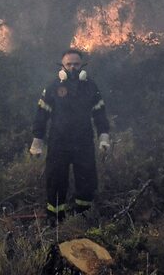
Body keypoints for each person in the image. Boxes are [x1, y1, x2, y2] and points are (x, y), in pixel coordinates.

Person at [30, 48, 111, 220]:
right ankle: (55, 221)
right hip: (59, 143)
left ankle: (83, 218)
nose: (73, 68)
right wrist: (37, 140)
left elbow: (100, 112)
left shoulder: (90, 86)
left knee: (87, 181)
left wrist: (104, 135)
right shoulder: (52, 87)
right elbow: (41, 114)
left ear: (82, 66)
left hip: (84, 143)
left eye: (76, 64)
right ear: (62, 67)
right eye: (69, 64)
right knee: (55, 181)